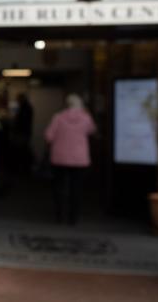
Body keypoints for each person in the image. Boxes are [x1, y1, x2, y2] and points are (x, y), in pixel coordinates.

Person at [44, 93, 96, 225]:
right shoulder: (86, 118)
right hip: (79, 159)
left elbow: (49, 136)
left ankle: (60, 215)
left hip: (60, 157)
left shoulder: (58, 117)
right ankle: (73, 218)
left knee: (59, 187)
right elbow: (92, 131)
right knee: (76, 188)